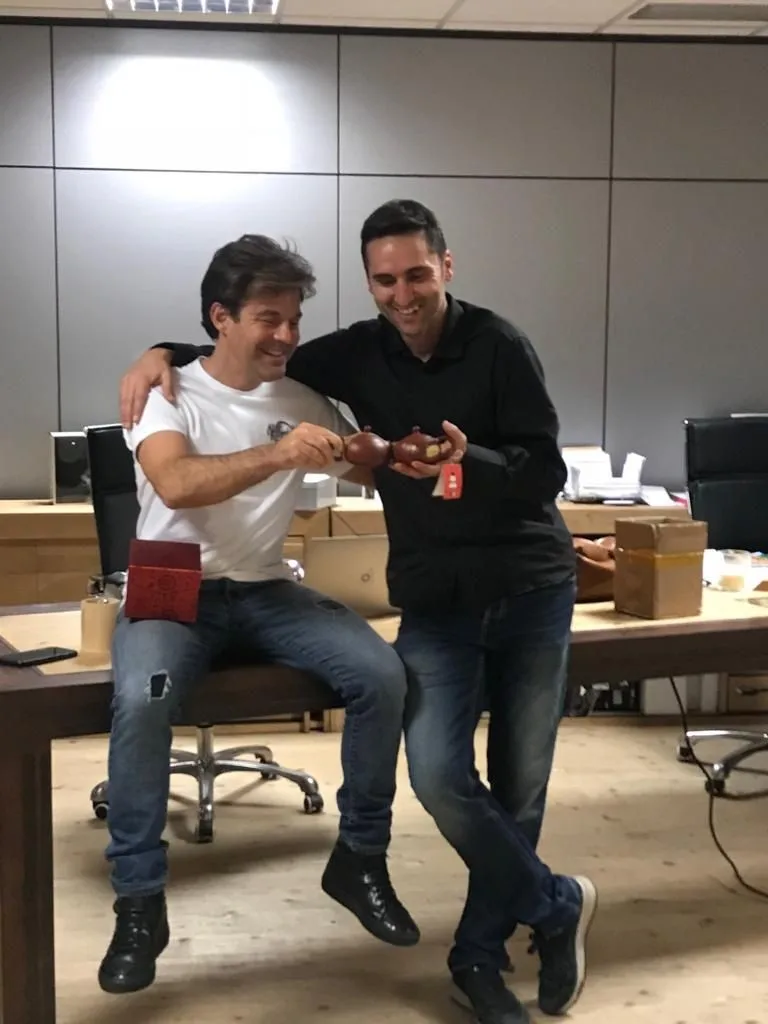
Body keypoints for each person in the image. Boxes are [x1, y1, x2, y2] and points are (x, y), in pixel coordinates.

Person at [120, 202, 596, 1024]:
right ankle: (138, 903)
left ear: (446, 267)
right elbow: (190, 451)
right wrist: (160, 353)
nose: (402, 294)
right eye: (385, 279)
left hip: (512, 584)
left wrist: (436, 459)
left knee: (478, 754)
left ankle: (452, 935)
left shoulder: (481, 348)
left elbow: (495, 468)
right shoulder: (234, 378)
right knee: (146, 698)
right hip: (212, 582)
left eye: (417, 274)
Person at [99, 234, 420, 998]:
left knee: (382, 675)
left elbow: (365, 464)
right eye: (269, 319)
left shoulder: (301, 399)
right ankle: (139, 902)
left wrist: (406, 455)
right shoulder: (163, 390)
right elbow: (177, 483)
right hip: (174, 586)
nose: (286, 335)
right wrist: (277, 456)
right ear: (221, 317)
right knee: (142, 699)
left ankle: (359, 859)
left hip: (268, 589)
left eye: (294, 319)